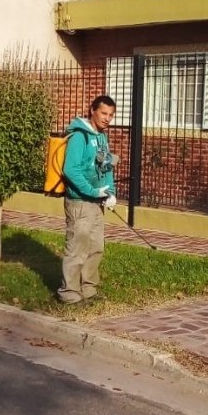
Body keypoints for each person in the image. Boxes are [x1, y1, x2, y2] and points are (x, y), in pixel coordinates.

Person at [57, 95, 118, 304]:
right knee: (77, 247)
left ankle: (88, 289)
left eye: (111, 115)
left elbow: (107, 166)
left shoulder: (102, 137)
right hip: (79, 202)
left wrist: (111, 192)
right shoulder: (79, 136)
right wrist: (93, 191)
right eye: (103, 113)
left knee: (96, 246)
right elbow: (70, 170)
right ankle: (69, 293)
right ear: (92, 110)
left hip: (96, 201)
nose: (107, 118)